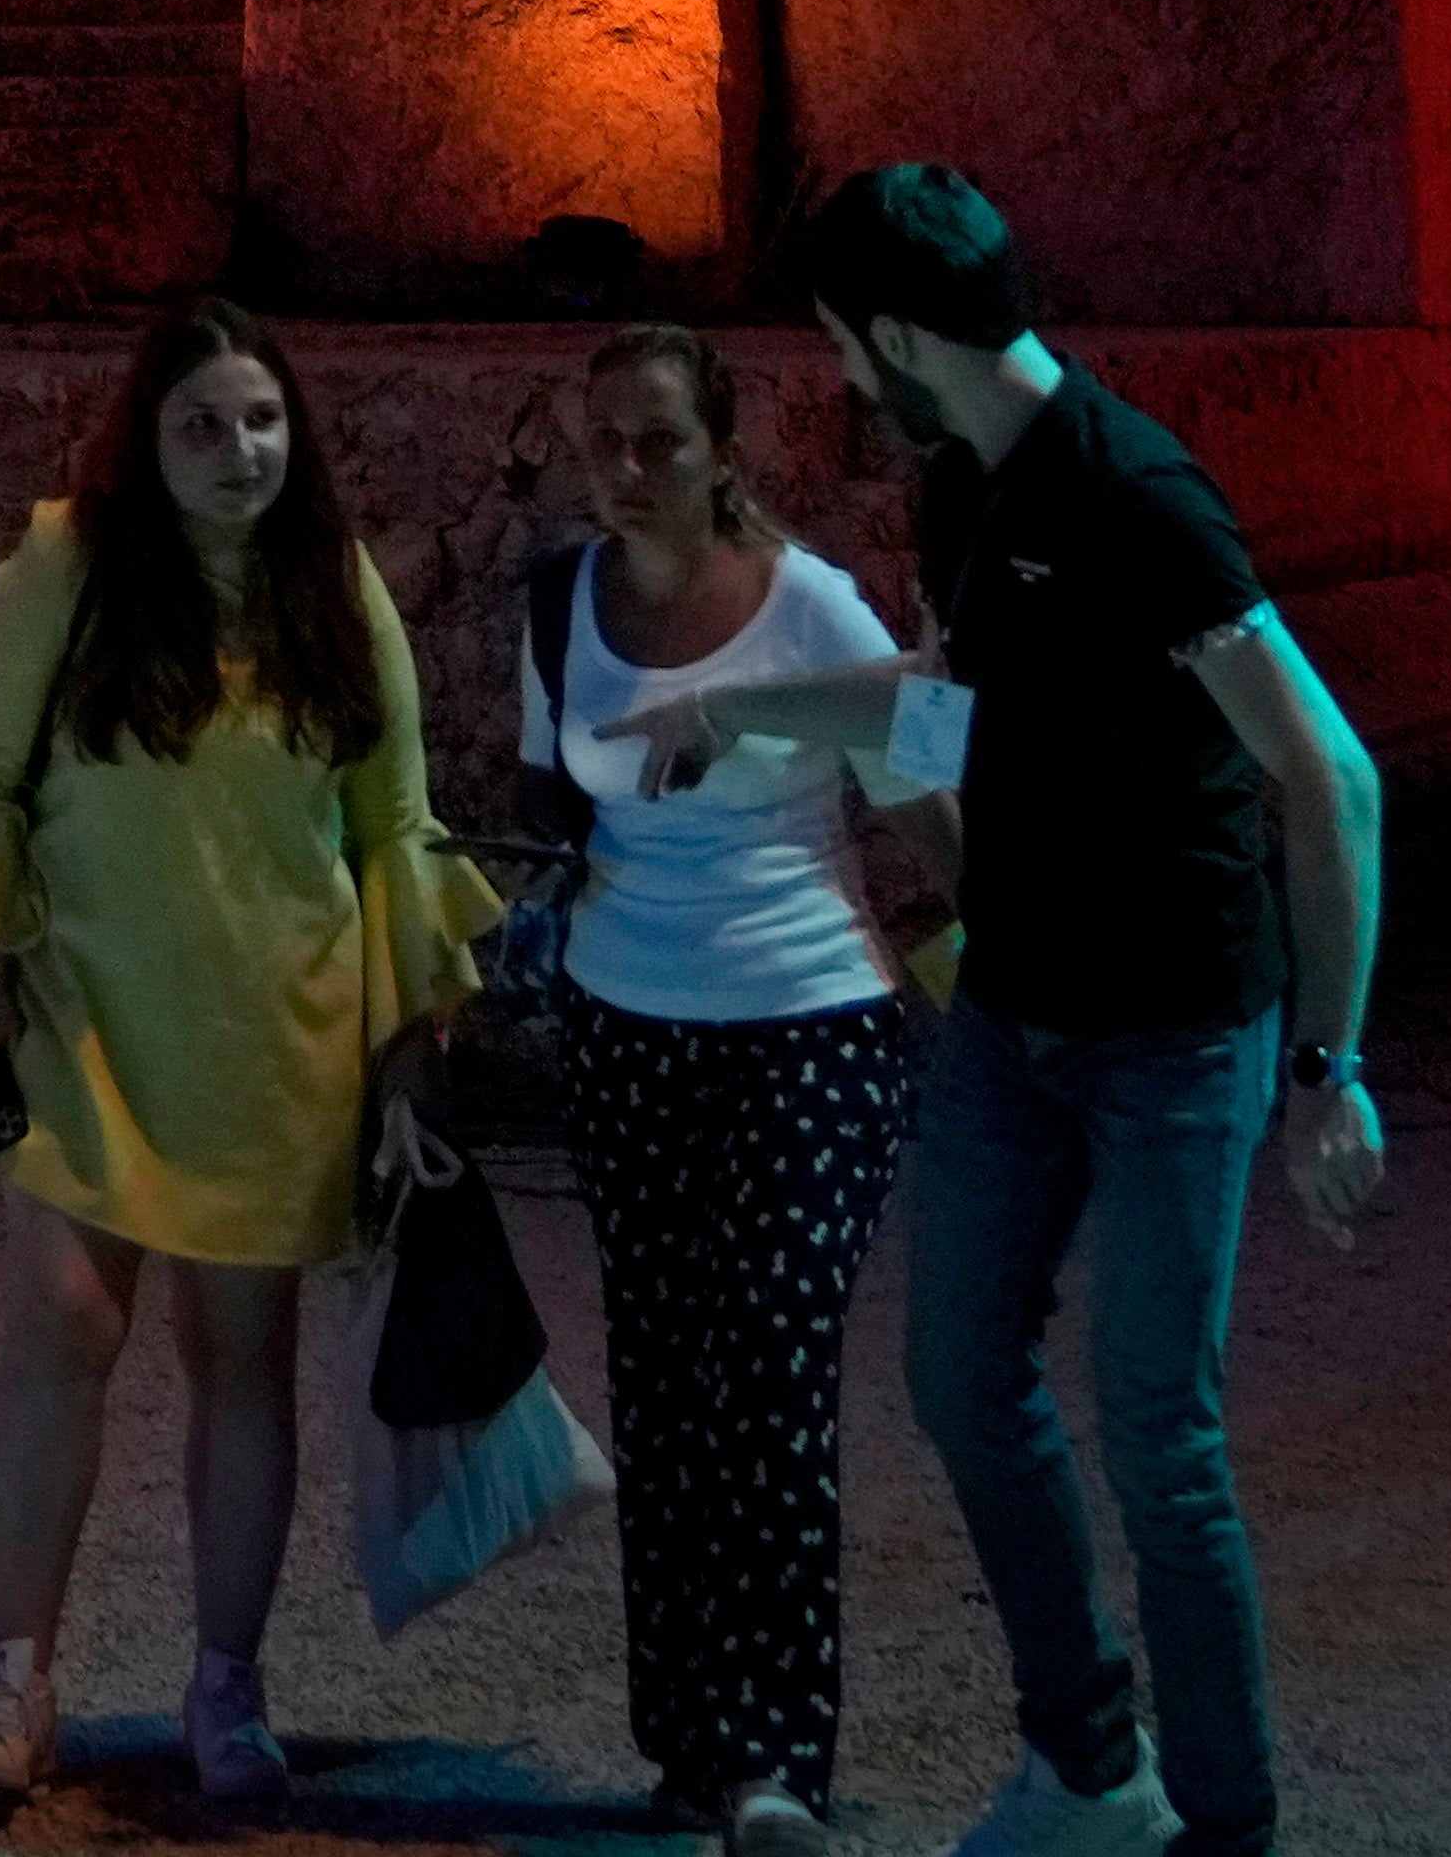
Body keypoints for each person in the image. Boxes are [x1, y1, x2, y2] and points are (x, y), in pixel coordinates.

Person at [790, 163, 1390, 1857]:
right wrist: (761, 716)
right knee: (959, 1374)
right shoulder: (961, 493)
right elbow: (940, 720)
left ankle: (1225, 1826)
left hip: (1180, 1032)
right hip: (1017, 1012)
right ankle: (1085, 1758)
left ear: (903, 334)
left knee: (1160, 1433)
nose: (838, 377)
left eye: (844, 343)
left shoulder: (1141, 501)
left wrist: (1330, 1073)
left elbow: (1328, 779)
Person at [0, 297, 495, 1825]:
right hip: (88, 1012)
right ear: (148, 437)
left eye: (262, 420)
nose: (238, 450)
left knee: (243, 1359)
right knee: (64, 1325)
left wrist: (412, 1040)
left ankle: (226, 1686)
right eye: (202, 422)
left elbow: (396, 826)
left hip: (276, 1031)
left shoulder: (334, 585)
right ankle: (16, 1673)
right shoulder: (65, 569)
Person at [504, 317, 944, 1857]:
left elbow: (926, 749)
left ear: (721, 449)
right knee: (668, 1380)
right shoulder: (561, 606)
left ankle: (777, 1760)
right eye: (604, 442)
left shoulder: (810, 602)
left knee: (769, 1361)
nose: (627, 472)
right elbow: (554, 802)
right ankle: (689, 1741)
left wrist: (977, 958)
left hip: (807, 1016)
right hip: (629, 1021)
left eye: (660, 442)